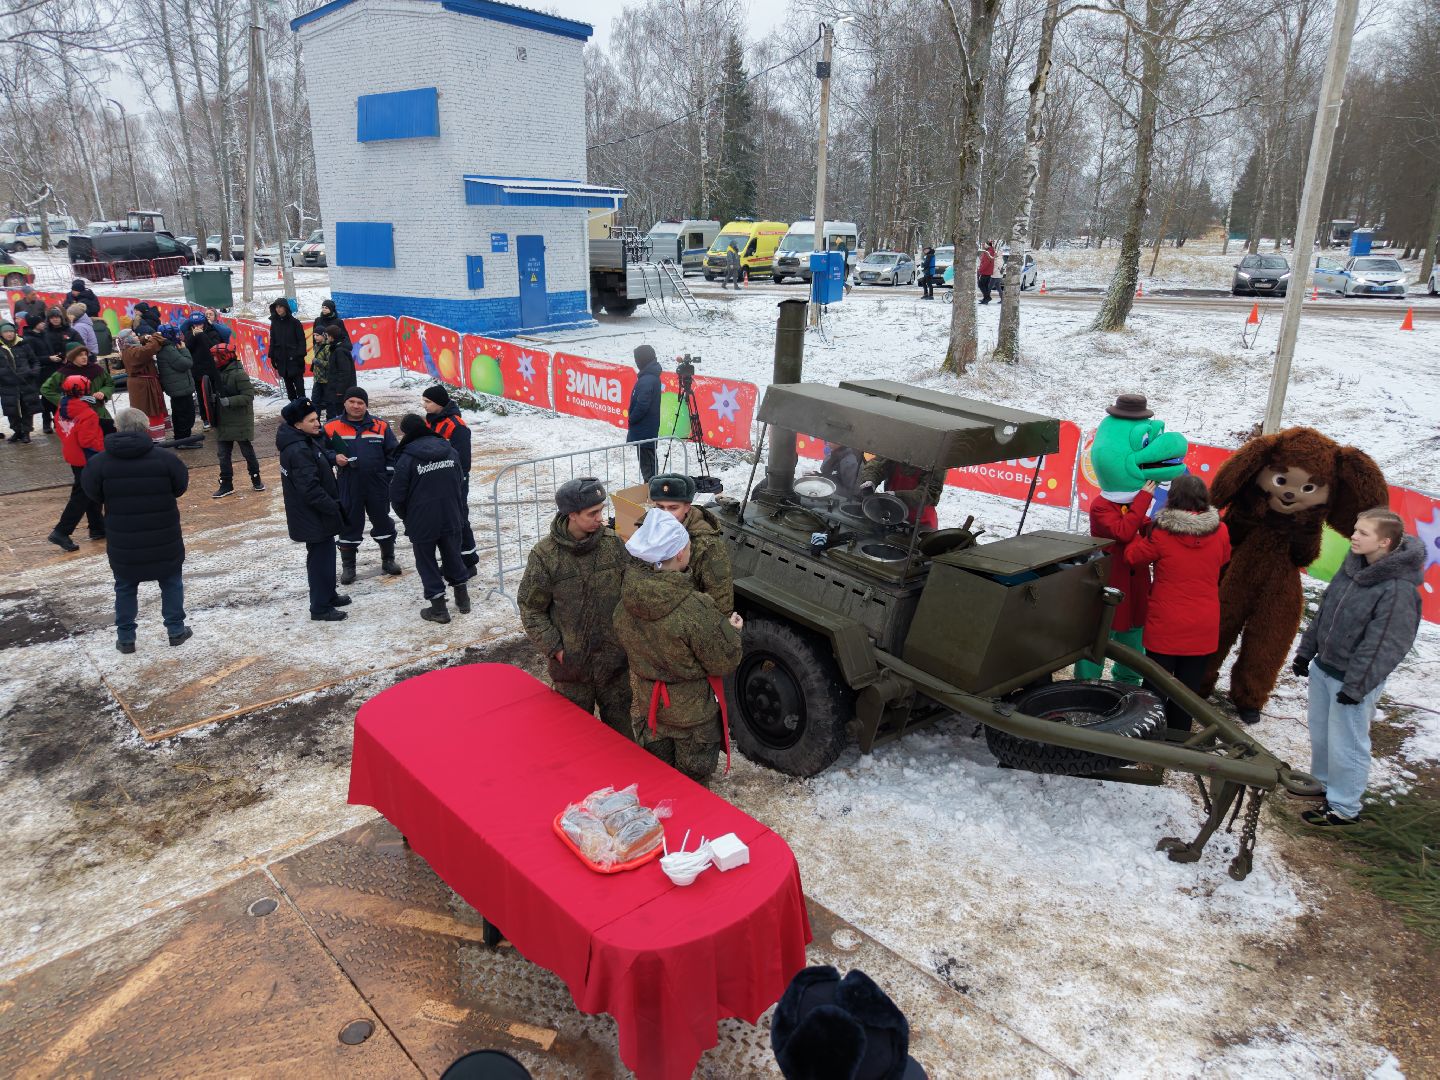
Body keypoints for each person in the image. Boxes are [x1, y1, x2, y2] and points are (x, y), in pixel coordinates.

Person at [1292, 508, 1423, 826]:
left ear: (1385, 542)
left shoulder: (1397, 589)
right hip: (1325, 668)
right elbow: (1326, 611)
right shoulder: (1352, 568)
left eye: (1363, 533)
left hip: (1352, 680)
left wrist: (1356, 686)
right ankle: (1321, 785)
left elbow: (1384, 645)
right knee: (1323, 735)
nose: (1354, 536)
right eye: (1355, 529)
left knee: (1347, 743)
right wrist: (1306, 652)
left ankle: (1344, 807)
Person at [613, 508, 743, 783]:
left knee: (658, 779)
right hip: (692, 718)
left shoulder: (626, 601)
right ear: (682, 555)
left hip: (651, 708)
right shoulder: (695, 609)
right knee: (693, 784)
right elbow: (724, 660)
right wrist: (733, 633)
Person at [517, 476, 632, 735]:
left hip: (614, 666)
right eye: (592, 513)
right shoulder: (545, 556)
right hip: (572, 670)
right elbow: (531, 608)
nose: (600, 518)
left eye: (602, 511)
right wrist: (556, 649)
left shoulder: (613, 545)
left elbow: (631, 593)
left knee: (622, 739)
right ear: (571, 514)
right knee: (576, 738)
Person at [1123, 474, 1231, 733]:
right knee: (1187, 689)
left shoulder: (1162, 533)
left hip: (1166, 622)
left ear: (1173, 499)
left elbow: (1132, 557)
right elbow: (1224, 558)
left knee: (1156, 684)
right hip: (1203, 622)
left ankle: (1151, 735)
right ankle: (1179, 736)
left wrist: (1139, 534)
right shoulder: (1221, 530)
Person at [81, 408, 192, 653]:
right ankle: (176, 630)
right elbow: (180, 487)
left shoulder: (98, 463)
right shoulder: (166, 459)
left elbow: (92, 493)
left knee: (125, 586)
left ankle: (126, 638)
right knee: (171, 581)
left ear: (117, 429)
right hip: (164, 536)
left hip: (124, 540)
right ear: (145, 429)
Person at [389, 413, 469, 623]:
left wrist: (408, 517)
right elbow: (460, 482)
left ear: (405, 433)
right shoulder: (450, 451)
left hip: (422, 520)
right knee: (453, 554)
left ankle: (439, 609)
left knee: (426, 562)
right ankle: (463, 599)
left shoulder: (406, 458)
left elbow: (397, 496)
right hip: (451, 514)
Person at [277, 397, 351, 622]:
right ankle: (320, 607)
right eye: (311, 420)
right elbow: (309, 488)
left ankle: (328, 595)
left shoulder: (307, 440)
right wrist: (332, 507)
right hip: (314, 515)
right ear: (297, 424)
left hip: (317, 513)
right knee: (320, 561)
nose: (317, 423)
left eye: (317, 418)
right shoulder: (298, 449)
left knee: (326, 557)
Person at [326, 386, 401, 583]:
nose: (356, 406)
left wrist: (387, 476)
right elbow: (321, 452)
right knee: (349, 523)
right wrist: (334, 457)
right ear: (345, 403)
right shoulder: (331, 426)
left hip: (377, 484)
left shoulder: (380, 426)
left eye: (360, 403)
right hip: (348, 484)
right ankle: (348, 567)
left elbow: (394, 454)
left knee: (383, 521)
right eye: (352, 402)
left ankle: (388, 560)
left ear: (366, 405)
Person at [647, 473, 733, 613]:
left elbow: (720, 603)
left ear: (687, 507)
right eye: (660, 507)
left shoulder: (707, 545)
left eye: (673, 508)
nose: (665, 514)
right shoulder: (648, 529)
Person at [422, 385, 479, 575]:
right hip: (438, 480)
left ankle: (468, 562)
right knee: (447, 522)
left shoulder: (456, 426)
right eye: (424, 401)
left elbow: (463, 460)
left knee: (460, 519)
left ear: (439, 403)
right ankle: (453, 561)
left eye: (428, 402)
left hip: (455, 481)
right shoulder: (432, 423)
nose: (425, 405)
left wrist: (457, 480)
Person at [46, 373, 106, 551]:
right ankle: (62, 531)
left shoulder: (61, 408)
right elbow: (89, 441)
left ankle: (97, 527)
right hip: (88, 458)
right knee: (83, 495)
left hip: (73, 455)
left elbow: (60, 430)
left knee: (91, 490)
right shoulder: (87, 413)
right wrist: (103, 451)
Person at [210, 343, 265, 497]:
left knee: (247, 452)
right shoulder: (217, 373)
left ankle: (256, 479)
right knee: (223, 454)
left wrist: (229, 401)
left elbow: (248, 396)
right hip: (223, 420)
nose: (213, 360)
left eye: (216, 357)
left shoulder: (239, 374)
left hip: (240, 420)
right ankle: (226, 484)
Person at [42, 342, 115, 429]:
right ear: (72, 357)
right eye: (80, 355)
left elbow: (110, 384)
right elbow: (46, 389)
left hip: (99, 413)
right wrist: (64, 401)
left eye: (85, 354)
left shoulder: (97, 369)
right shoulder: (63, 372)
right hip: (76, 415)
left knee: (106, 437)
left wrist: (103, 392)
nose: (84, 357)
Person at [859, 457, 943, 530]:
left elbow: (930, 493)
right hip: (891, 515)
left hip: (920, 523)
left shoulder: (937, 460)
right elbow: (876, 466)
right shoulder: (898, 448)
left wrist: (897, 496)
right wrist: (869, 480)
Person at [36, 308, 81, 434]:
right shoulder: (44, 333)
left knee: (65, 395)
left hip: (67, 368)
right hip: (49, 368)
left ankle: (60, 420)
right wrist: (49, 358)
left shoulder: (70, 331)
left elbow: (80, 346)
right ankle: (46, 421)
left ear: (61, 318)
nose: (55, 319)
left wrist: (70, 357)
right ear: (49, 320)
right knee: (47, 395)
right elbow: (40, 350)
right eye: (52, 317)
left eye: (57, 317)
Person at [118, 329, 168, 439]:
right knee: (148, 410)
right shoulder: (132, 351)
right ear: (128, 339)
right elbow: (149, 349)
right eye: (133, 335)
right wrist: (155, 337)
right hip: (143, 386)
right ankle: (152, 437)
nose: (136, 336)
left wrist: (144, 338)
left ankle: (152, 436)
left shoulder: (129, 348)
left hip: (143, 383)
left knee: (149, 409)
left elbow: (142, 345)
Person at [155, 325, 197, 441]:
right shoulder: (169, 349)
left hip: (179, 387)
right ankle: (183, 439)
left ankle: (183, 437)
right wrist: (184, 349)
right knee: (184, 415)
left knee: (181, 414)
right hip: (179, 388)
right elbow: (186, 364)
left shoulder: (167, 347)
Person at [0, 320, 40, 442]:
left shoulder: (23, 344)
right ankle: (17, 431)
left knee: (27, 408)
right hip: (7, 385)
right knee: (12, 410)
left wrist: (33, 372)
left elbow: (35, 361)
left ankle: (26, 432)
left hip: (26, 382)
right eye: (6, 332)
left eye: (11, 331)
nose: (9, 334)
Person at [627, 344, 662, 482]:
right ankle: (652, 487)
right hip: (645, 430)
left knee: (648, 465)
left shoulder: (647, 379)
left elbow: (643, 404)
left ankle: (653, 490)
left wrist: (632, 418)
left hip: (644, 430)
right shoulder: (649, 377)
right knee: (648, 462)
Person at [186, 312, 223, 428]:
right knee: (201, 395)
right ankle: (205, 418)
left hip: (211, 368)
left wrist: (202, 335)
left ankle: (219, 415)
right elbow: (188, 348)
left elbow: (214, 347)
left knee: (216, 392)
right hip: (197, 369)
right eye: (195, 325)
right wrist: (193, 335)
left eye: (200, 324)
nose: (197, 327)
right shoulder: (188, 334)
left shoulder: (212, 332)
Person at [312, 322, 355, 420]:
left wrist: (339, 390)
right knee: (318, 402)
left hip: (337, 387)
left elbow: (344, 372)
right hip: (326, 382)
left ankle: (335, 425)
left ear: (332, 336)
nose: (326, 338)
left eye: (326, 336)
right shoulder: (335, 348)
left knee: (337, 409)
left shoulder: (339, 351)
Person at [268, 298, 307, 400]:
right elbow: (273, 340)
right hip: (282, 360)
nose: (278, 309)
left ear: (285, 308)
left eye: (280, 306)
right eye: (276, 307)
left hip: (295, 361)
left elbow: (302, 341)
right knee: (290, 391)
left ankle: (304, 411)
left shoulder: (295, 323)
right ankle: (294, 410)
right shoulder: (275, 323)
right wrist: (272, 357)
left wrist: (299, 356)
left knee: (300, 391)